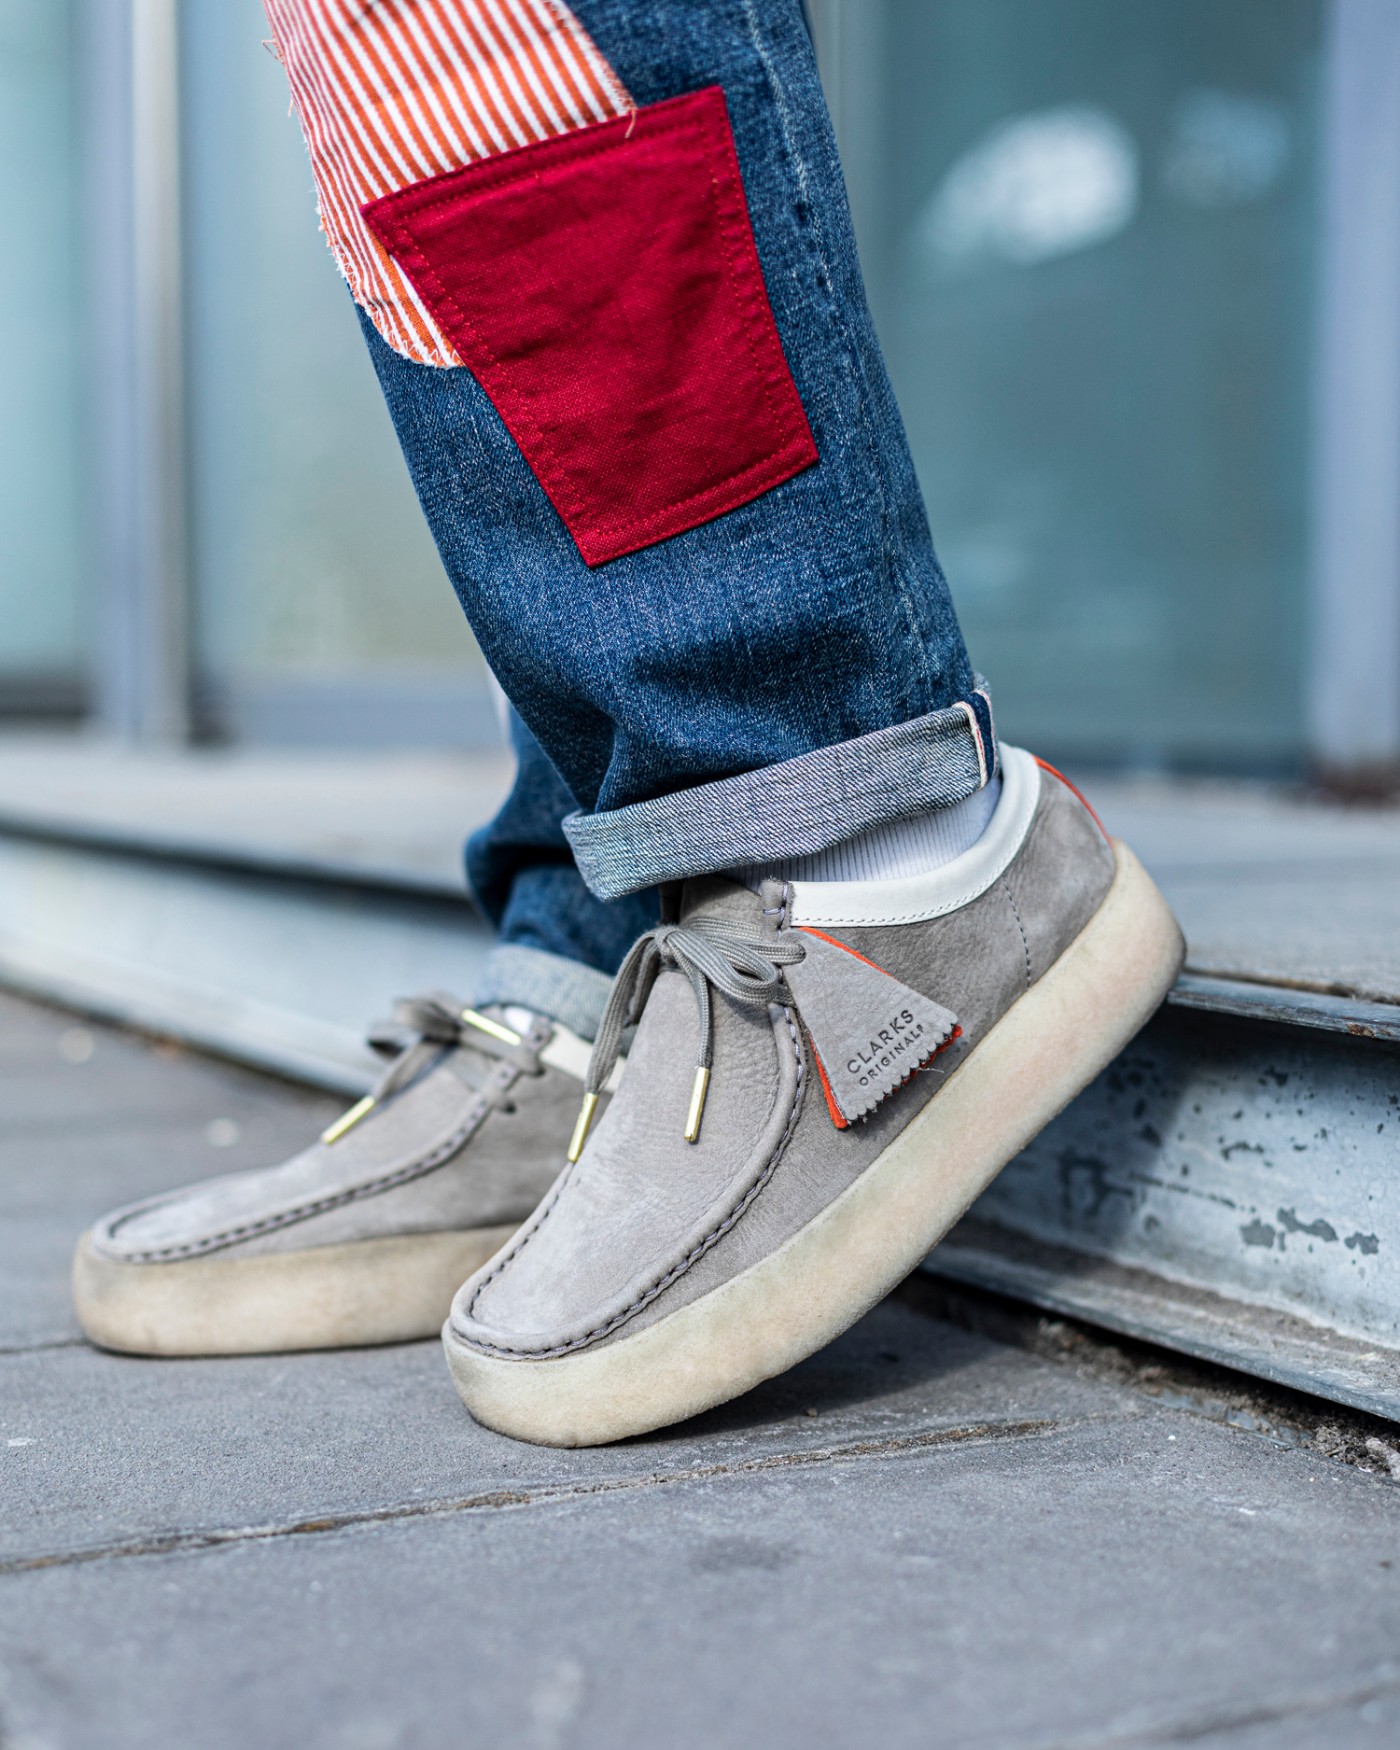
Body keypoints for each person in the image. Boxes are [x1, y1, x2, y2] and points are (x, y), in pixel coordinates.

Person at [72, 0, 1183, 1446]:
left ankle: (871, 846)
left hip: (855, 864)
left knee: (500, 48)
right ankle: (597, 947)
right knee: (392, 94)